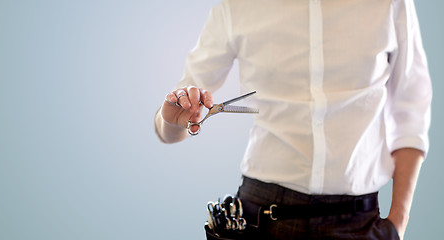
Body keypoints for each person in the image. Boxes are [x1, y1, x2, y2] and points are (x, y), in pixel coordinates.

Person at [154, 0, 432, 239]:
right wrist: (171, 120)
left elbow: (412, 113)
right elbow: (173, 125)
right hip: (261, 218)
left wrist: (397, 224)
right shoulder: (237, 6)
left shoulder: (388, 4)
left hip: (360, 222)